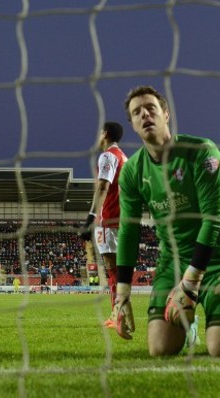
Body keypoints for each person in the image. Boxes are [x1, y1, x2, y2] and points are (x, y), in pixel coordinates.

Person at [112, 85, 220, 357]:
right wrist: (122, 293)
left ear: (166, 114)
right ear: (132, 124)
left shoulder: (202, 152)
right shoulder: (132, 171)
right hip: (174, 262)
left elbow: (214, 218)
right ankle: (187, 329)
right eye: (137, 112)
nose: (144, 114)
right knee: (160, 349)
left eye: (150, 108)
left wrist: (190, 284)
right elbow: (128, 231)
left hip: (218, 258)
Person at [80, 121, 127, 329]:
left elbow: (102, 187)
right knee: (117, 269)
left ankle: (118, 315)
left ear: (105, 134)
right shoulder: (125, 158)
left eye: (100, 133)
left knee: (113, 270)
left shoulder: (108, 156)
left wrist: (90, 218)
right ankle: (120, 313)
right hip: (122, 220)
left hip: (109, 220)